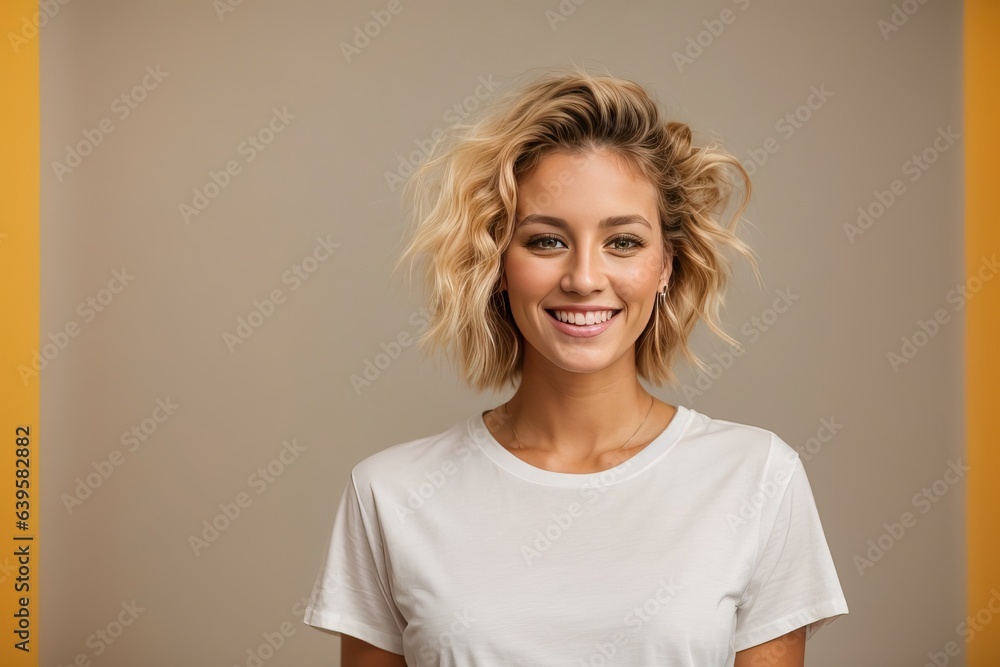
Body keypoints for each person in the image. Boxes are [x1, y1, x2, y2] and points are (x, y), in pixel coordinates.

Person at [303, 66, 849, 666]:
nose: (585, 279)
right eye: (545, 240)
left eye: (623, 242)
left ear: (667, 264)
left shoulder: (757, 478)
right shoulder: (389, 493)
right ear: (497, 264)